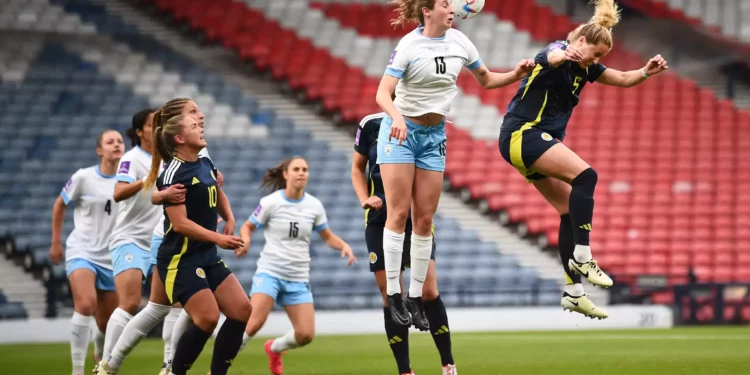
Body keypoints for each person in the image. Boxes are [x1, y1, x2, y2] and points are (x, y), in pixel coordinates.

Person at [497, 0, 668, 319]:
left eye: (601, 57)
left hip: (525, 143)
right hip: (523, 134)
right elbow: (550, 56)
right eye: (596, 53)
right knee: (586, 176)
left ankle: (573, 292)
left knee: (567, 212)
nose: (598, 60)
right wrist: (564, 54)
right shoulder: (560, 50)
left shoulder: (586, 68)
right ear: (579, 43)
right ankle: (583, 255)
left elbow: (621, 78)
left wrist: (646, 71)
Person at [377, 0, 535, 328]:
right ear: (427, 10)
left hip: (434, 136)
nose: (453, 9)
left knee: (424, 220)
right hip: (400, 132)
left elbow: (487, 79)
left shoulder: (460, 41)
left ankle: (415, 297)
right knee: (399, 214)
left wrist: (516, 75)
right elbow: (383, 93)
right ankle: (394, 293)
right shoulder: (409, 44)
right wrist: (396, 117)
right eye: (446, 4)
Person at [96, 98, 222, 375]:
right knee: (149, 306)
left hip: (181, 239)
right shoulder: (162, 153)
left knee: (172, 307)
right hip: (160, 238)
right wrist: (161, 194)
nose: (200, 116)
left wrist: (221, 210)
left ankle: (162, 365)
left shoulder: (197, 146)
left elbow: (207, 184)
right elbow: (154, 190)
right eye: (192, 112)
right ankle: (110, 363)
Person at [353, 112, 456, 375]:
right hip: (380, 219)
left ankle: (448, 365)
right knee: (391, 296)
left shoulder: (427, 119)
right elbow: (357, 167)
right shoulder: (371, 124)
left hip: (416, 220)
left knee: (429, 292)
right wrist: (365, 197)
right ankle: (405, 371)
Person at [148, 114, 249, 375]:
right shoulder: (173, 172)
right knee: (207, 318)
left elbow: (217, 188)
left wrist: (229, 217)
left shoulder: (204, 161)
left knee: (242, 310)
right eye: (194, 126)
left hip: (206, 254)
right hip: (179, 259)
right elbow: (179, 224)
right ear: (180, 138)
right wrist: (219, 238)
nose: (201, 128)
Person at [237, 157, 357, 375]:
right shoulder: (271, 202)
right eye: (297, 169)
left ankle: (274, 348)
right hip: (270, 272)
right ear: (285, 174)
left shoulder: (314, 205)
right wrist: (245, 241)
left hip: (298, 277)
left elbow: (327, 236)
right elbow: (247, 226)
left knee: (305, 335)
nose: (302, 173)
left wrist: (343, 245)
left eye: (305, 169)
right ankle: (217, 369)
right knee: (253, 324)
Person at [49, 130, 124, 375]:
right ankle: (78, 370)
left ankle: (99, 350)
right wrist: (56, 242)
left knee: (106, 323)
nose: (116, 145)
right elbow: (60, 204)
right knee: (86, 303)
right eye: (110, 142)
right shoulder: (84, 177)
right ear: (99, 150)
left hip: (111, 257)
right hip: (81, 249)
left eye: (120, 141)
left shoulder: (129, 180)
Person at [99, 108, 163, 367]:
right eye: (151, 125)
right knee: (130, 303)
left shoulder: (168, 158)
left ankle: (169, 366)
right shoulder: (132, 158)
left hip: (159, 241)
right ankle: (105, 366)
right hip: (130, 239)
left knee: (174, 305)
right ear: (139, 132)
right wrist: (147, 179)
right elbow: (119, 192)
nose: (157, 128)